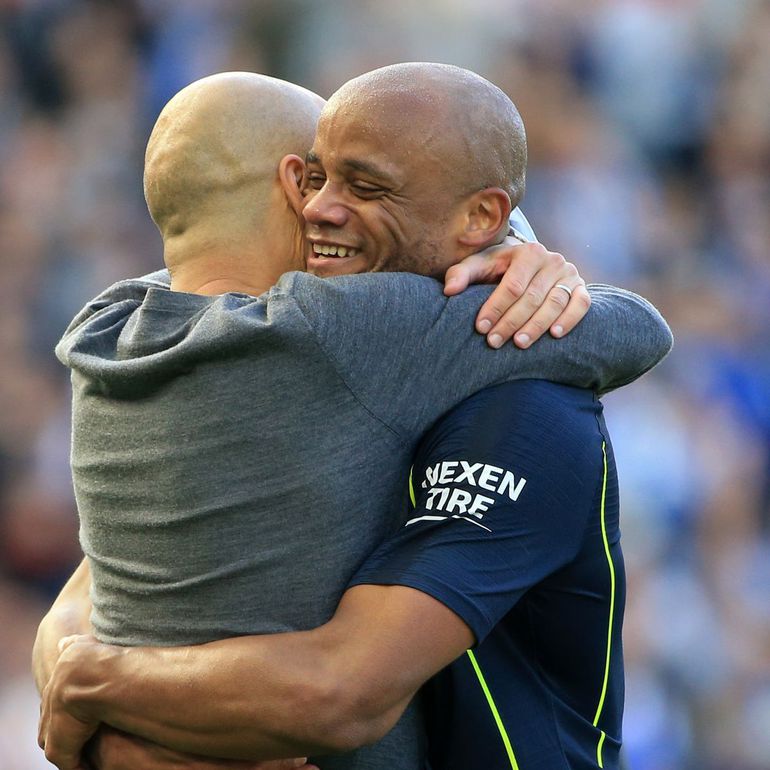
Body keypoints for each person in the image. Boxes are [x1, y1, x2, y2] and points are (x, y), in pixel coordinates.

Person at [36, 65, 672, 770]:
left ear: (479, 217)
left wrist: (99, 697)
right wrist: (529, 256)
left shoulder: (106, 327)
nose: (320, 208)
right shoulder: (330, 332)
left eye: (362, 187)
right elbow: (636, 328)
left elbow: (335, 687)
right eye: (317, 178)